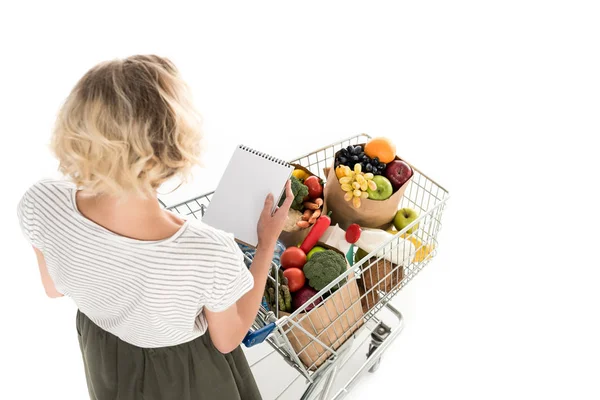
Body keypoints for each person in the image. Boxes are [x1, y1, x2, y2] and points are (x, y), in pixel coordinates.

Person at [16, 55, 293, 400]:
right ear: (172, 147)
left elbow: (54, 288)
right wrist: (265, 246)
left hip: (104, 352)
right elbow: (228, 338)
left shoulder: (39, 200)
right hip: (185, 369)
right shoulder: (209, 250)